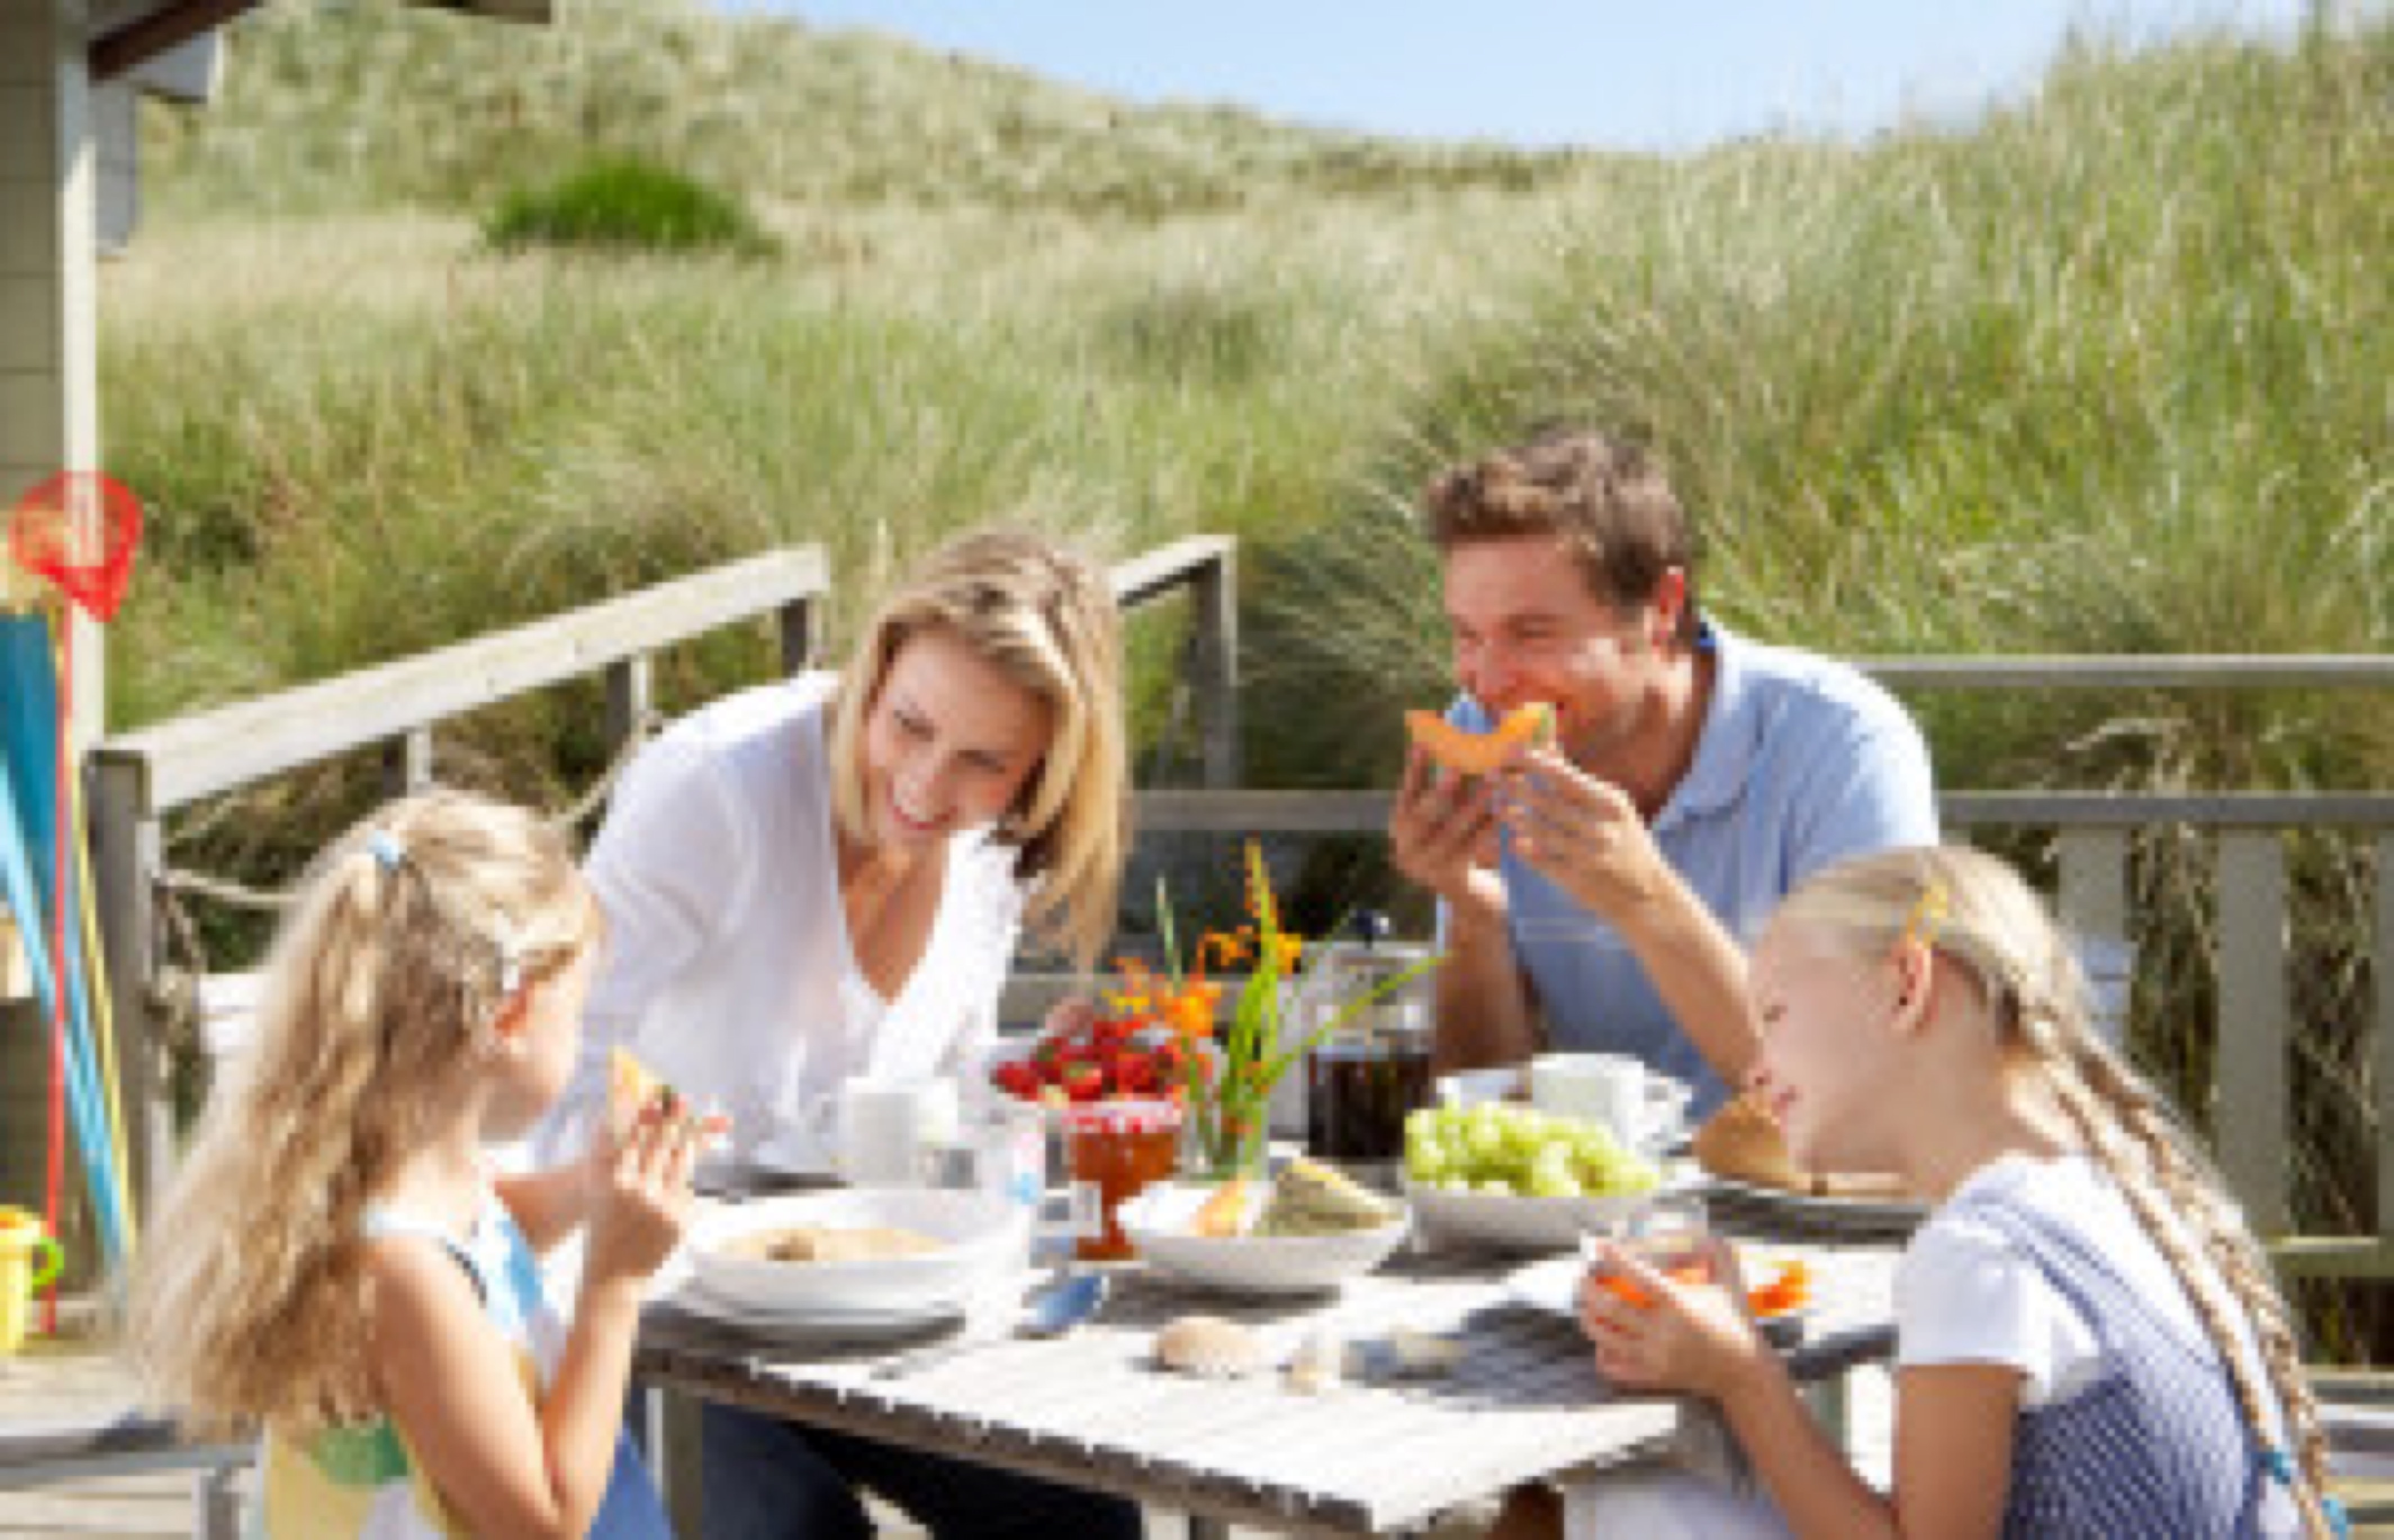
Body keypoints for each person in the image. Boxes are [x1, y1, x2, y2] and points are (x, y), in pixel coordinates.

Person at [532, 526, 1142, 1540]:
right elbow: (551, 1072)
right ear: (878, 662)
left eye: (984, 762)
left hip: (867, 1290)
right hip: (660, 1305)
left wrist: (1030, 1076)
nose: (926, 785)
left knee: (1078, 1515)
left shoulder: (992, 844)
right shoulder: (716, 788)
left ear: (1043, 772)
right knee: (795, 1529)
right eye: (907, 724)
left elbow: (929, 1088)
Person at [1557, 844, 2343, 1539]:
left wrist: (1741, 1372)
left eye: (1776, 1014)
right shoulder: (2114, 1186)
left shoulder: (1980, 1253)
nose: (1756, 1069)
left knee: (1611, 1505)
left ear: (1906, 984)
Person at [128, 789, 700, 1539]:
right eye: (578, 1014)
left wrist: (590, 1190)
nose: (581, 1041)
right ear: (509, 1016)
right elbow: (545, 1520)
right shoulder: (399, 1272)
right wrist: (614, 1282)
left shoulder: (417, 1180)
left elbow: (487, 1254)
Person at [1387, 427, 1937, 1111]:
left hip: (1802, 1199)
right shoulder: (1479, 723)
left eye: (1532, 633)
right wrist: (1475, 918)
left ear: (1661, 609)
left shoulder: (1842, 745)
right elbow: (1487, 1108)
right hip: (1590, 1202)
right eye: (1466, 635)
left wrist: (1642, 896)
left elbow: (1857, 1091)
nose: (1488, 679)